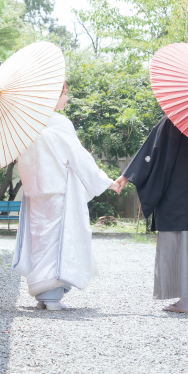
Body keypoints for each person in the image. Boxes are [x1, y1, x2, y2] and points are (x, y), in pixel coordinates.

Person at [12, 83, 120, 310]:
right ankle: (51, 296)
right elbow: (79, 158)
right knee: (58, 239)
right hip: (57, 190)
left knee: (41, 238)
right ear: (53, 96)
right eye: (64, 95)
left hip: (35, 191)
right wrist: (105, 181)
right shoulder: (61, 123)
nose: (66, 100)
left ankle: (42, 294)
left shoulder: (27, 125)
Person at [115, 115, 188, 313]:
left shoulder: (179, 117)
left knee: (179, 239)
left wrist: (128, 175)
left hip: (179, 189)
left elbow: (154, 150)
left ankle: (185, 301)